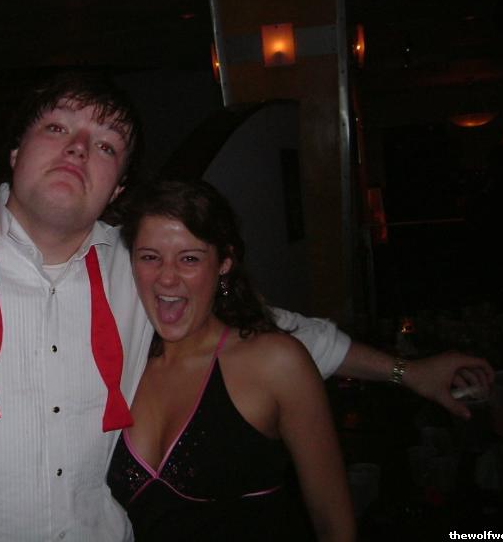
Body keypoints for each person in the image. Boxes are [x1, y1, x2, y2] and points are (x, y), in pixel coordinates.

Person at [0, 70, 491, 540]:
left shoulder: (136, 266)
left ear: (118, 188)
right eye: (58, 128)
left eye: (105, 145)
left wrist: (408, 372)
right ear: (16, 153)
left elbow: (280, 333)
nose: (79, 150)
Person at [106, 179, 354, 540]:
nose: (167, 278)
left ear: (224, 262)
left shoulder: (275, 363)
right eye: (150, 257)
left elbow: (335, 523)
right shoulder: (123, 365)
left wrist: (403, 371)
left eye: (189, 258)